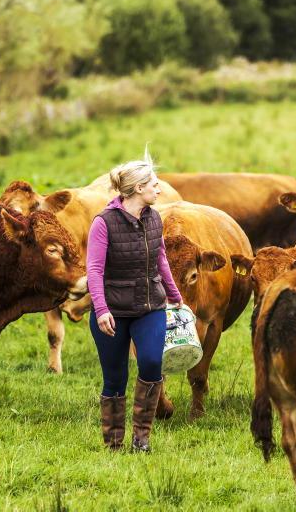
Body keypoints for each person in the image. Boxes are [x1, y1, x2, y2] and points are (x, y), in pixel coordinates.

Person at [86, 148, 183, 452]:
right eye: (154, 183)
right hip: (113, 311)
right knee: (115, 377)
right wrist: (101, 309)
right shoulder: (104, 222)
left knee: (152, 363)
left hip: (149, 307)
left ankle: (141, 439)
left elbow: (161, 259)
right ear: (138, 188)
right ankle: (114, 443)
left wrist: (174, 294)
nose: (159, 187)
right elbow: (94, 269)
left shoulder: (154, 218)